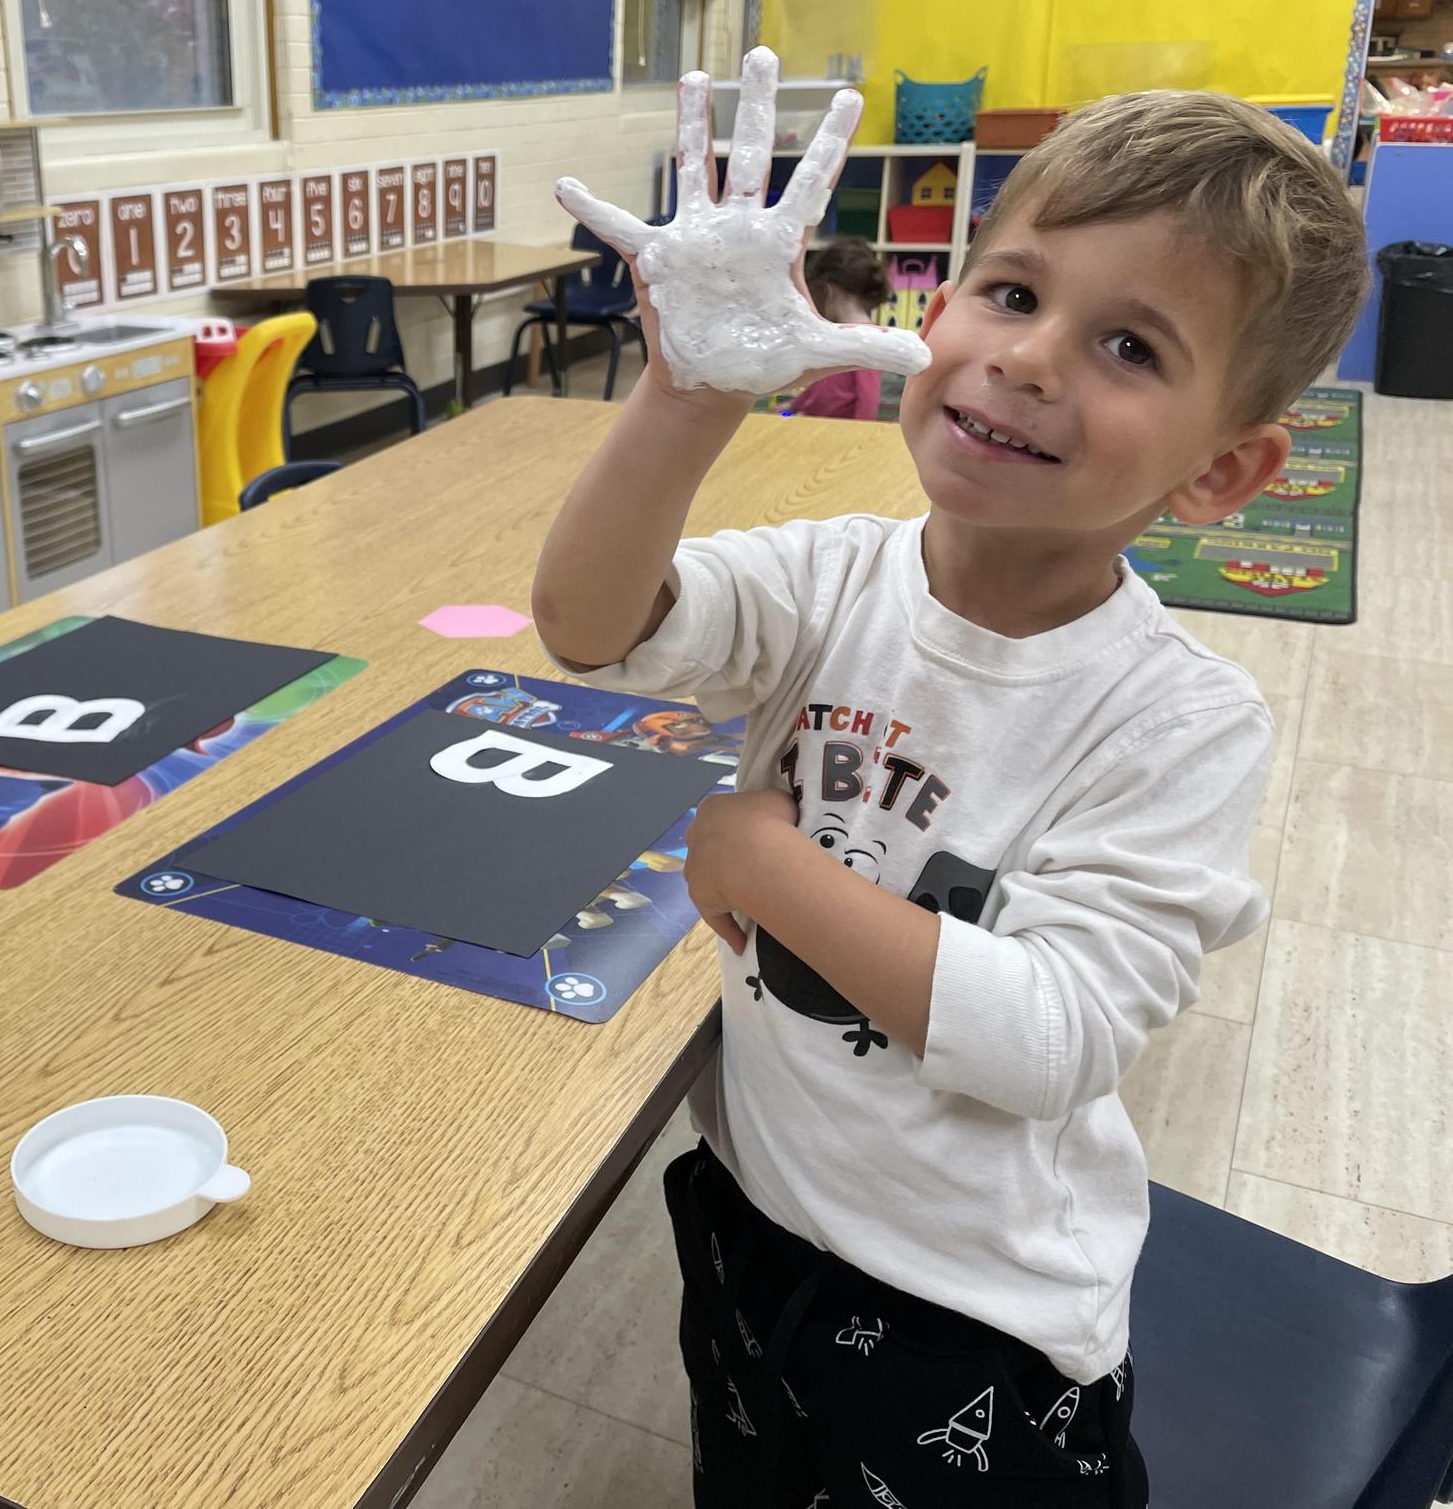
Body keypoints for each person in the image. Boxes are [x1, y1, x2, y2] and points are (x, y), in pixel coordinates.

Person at [534, 77, 1369, 1503]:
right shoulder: (831, 579)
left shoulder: (1176, 718)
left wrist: (757, 857)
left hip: (972, 1320)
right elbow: (589, 622)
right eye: (1009, 290)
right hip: (759, 1223)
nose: (1031, 359)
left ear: (1225, 468)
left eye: (1127, 344)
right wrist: (682, 400)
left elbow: (1050, 1034)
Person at [788, 237, 892, 420]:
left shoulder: (868, 340)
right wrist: (792, 406)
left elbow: (868, 400)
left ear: (829, 292)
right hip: (813, 424)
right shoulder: (834, 333)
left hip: (838, 433)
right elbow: (819, 382)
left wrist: (858, 438)